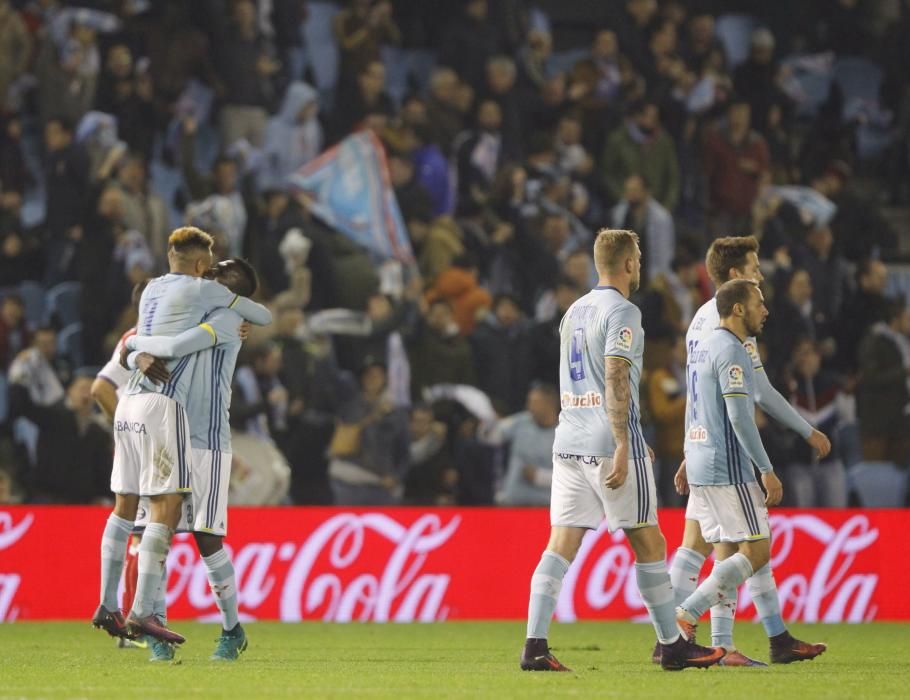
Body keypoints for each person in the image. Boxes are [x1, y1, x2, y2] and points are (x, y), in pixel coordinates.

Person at [520, 229, 723, 673]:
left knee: (559, 545)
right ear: (630, 264)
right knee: (650, 541)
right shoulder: (624, 311)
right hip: (607, 445)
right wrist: (621, 442)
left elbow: (586, 379)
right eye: (639, 258)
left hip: (568, 442)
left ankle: (534, 646)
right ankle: (671, 644)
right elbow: (614, 375)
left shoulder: (573, 311)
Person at [91, 227, 271, 646]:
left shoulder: (226, 318)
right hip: (161, 422)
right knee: (156, 522)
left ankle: (230, 629)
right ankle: (147, 625)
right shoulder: (186, 302)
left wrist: (138, 346)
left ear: (232, 291)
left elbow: (179, 343)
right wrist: (134, 351)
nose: (211, 273)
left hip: (205, 438)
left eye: (221, 272)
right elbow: (123, 358)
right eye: (211, 267)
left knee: (205, 538)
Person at [667, 236, 829, 666]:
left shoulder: (699, 323)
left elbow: (698, 392)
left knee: (718, 547)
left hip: (701, 447)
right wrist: (799, 437)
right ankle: (678, 625)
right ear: (736, 279)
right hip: (725, 457)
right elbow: (756, 396)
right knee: (748, 549)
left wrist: (690, 445)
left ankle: (728, 645)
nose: (760, 277)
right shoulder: (732, 336)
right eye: (755, 270)